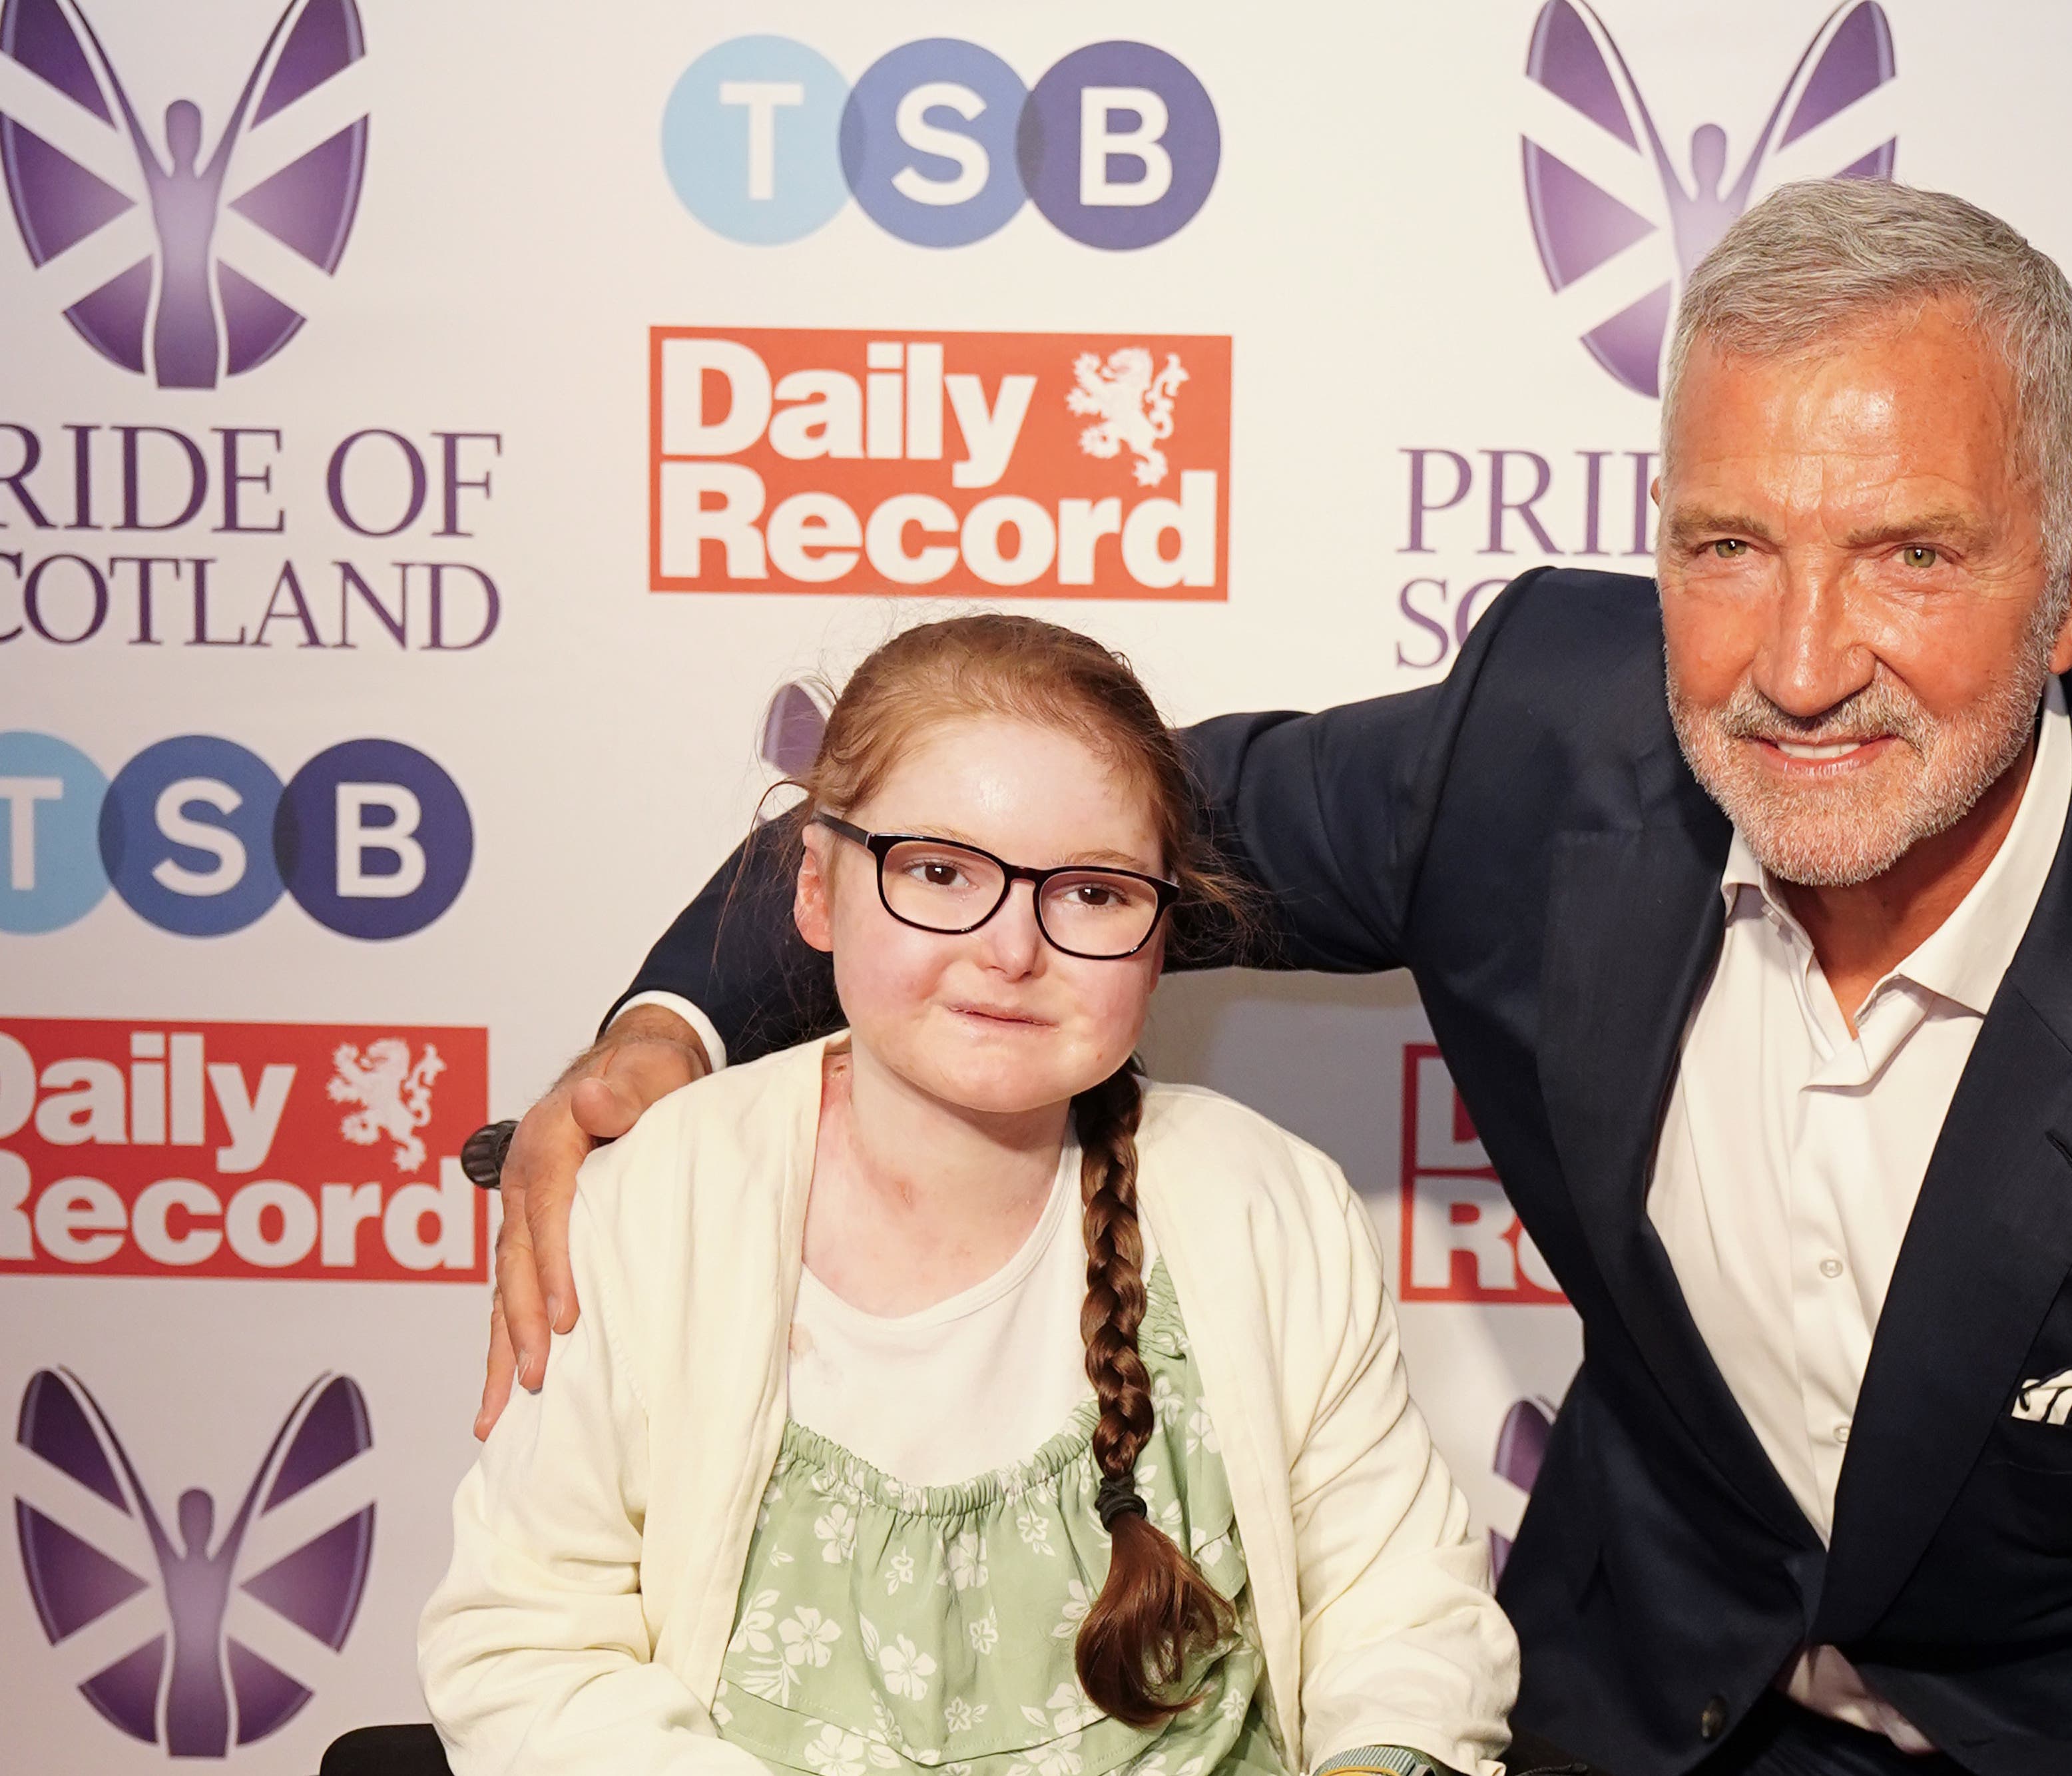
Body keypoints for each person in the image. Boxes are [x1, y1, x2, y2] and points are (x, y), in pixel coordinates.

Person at [476, 182, 2072, 1776]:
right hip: (1659, 1693)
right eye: (1730, 545)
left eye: (1913, 555)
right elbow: (1031, 830)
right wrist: (664, 1034)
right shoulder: (1541, 750)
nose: (1803, 661)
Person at [419, 617, 1517, 1776]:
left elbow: (1403, 1614)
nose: (1010, 951)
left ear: (1163, 929)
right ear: (815, 891)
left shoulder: (1269, 1208)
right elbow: (529, 1647)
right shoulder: (663, 1203)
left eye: (1091, 893)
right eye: (938, 873)